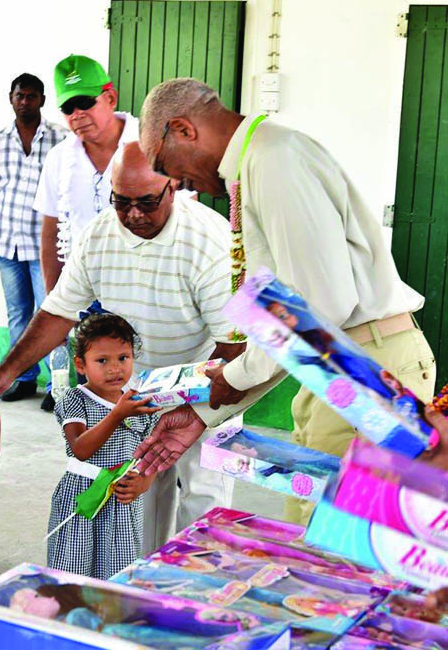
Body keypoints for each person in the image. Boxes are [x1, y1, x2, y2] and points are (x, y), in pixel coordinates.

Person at [135, 78, 435, 524]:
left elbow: (318, 311)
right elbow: (298, 328)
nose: (175, 182)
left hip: (363, 361)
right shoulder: (260, 161)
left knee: (335, 542)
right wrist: (205, 411)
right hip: (339, 362)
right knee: (314, 526)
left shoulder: (274, 160)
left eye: (164, 164)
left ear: (182, 129)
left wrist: (233, 378)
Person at [0, 142, 266, 551]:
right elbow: (58, 312)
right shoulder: (98, 235)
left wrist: (195, 415)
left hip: (210, 384)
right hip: (138, 391)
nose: (134, 214)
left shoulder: (210, 242)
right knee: (139, 502)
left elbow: (233, 354)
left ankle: (193, 605)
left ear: (174, 189)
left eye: (147, 202)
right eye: (122, 201)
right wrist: (6, 371)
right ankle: (144, 591)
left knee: (204, 502)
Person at [0, 72, 66, 406]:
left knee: (53, 314)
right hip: (7, 241)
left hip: (46, 246)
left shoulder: (61, 139)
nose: (25, 101)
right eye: (19, 95)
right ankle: (24, 378)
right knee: (18, 313)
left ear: (42, 99)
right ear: (10, 98)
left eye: (31, 96)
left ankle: (59, 386)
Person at [47, 314, 159, 579]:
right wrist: (117, 415)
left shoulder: (142, 404)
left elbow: (152, 451)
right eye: (102, 360)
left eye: (123, 358)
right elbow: (80, 448)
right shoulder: (74, 399)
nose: (114, 368)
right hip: (81, 498)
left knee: (118, 572)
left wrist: (145, 481)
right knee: (73, 569)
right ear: (81, 365)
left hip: (121, 501)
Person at [33, 54, 138, 293]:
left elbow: (186, 219)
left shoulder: (150, 145)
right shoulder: (58, 158)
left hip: (143, 292)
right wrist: (54, 301)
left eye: (85, 102)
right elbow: (51, 235)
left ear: (110, 98)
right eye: (68, 108)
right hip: (83, 294)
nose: (77, 114)